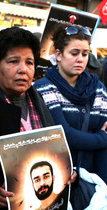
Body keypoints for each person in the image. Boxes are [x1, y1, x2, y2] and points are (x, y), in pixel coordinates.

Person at [0, 27, 76, 210]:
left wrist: (68, 169)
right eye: (13, 61)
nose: (23, 69)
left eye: (29, 62)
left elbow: (54, 150)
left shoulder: (39, 101)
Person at [34, 26, 107, 184]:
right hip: (59, 179)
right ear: (58, 54)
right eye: (74, 53)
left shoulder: (99, 88)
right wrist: (101, 138)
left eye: (85, 54)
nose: (80, 59)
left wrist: (102, 187)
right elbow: (63, 135)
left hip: (95, 180)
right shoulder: (43, 88)